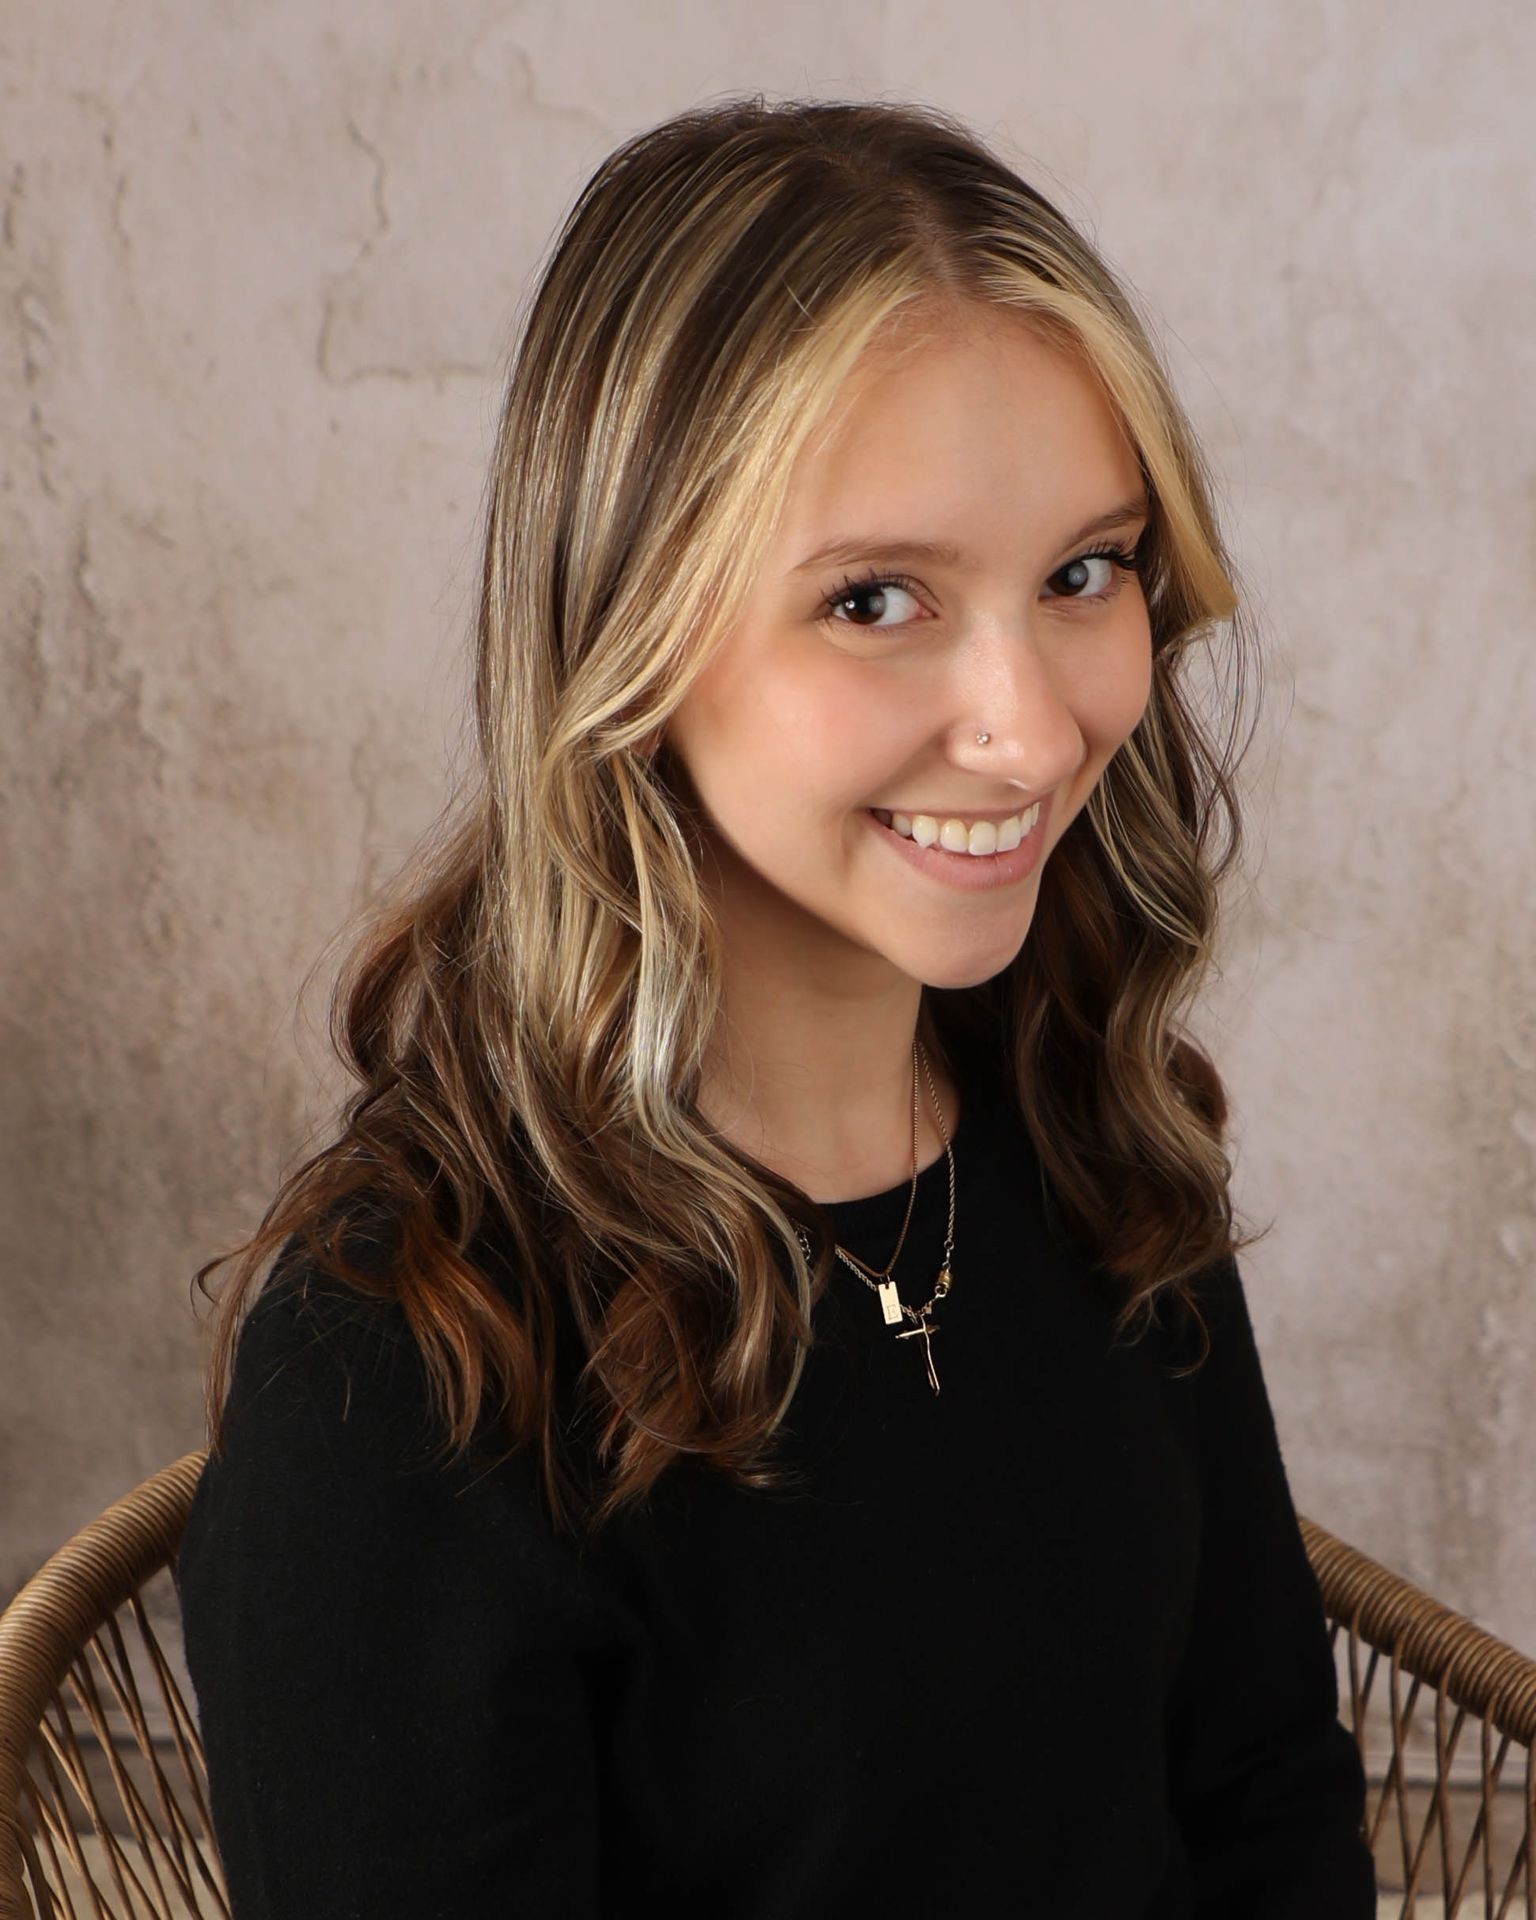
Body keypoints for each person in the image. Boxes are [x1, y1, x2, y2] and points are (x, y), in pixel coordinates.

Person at [175, 94, 1377, 1918]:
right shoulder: (407, 1382)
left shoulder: (1086, 1135)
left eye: (1085, 571)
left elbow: (1264, 1796)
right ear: (626, 636)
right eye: (878, 599)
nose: (1037, 728)